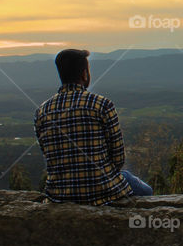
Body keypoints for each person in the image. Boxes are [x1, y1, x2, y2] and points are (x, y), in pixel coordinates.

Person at [34, 48, 152, 205]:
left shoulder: (41, 112)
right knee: (146, 190)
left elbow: (49, 157)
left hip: (59, 194)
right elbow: (118, 159)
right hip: (103, 191)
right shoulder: (102, 105)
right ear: (84, 74)